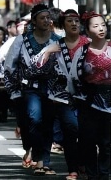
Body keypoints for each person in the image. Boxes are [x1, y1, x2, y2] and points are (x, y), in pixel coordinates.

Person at [32, 9, 89, 180]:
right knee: (71, 130)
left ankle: (84, 165)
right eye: (70, 21)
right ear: (63, 25)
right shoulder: (56, 45)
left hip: (87, 96)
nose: (74, 24)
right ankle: (73, 169)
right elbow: (36, 65)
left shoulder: (89, 43)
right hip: (61, 96)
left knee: (86, 133)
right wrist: (48, 52)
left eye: (76, 21)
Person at [4, 4, 61, 175]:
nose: (46, 21)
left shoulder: (56, 39)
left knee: (48, 123)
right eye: (42, 18)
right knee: (34, 119)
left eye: (48, 17)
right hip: (29, 88)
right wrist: (13, 91)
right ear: (34, 21)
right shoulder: (22, 40)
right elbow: (9, 66)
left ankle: (45, 162)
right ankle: (38, 157)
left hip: (51, 87)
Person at [78, 11, 110, 179]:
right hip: (88, 100)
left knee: (106, 142)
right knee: (89, 140)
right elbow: (73, 77)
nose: (101, 28)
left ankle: (104, 174)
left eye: (103, 25)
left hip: (109, 99)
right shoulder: (82, 52)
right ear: (88, 30)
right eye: (96, 26)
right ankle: (92, 174)